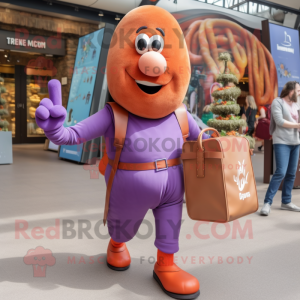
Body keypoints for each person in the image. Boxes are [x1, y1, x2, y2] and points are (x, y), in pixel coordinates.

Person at [260, 81, 300, 216]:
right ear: (290, 91)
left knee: (291, 173)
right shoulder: (278, 102)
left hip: (296, 142)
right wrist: (298, 126)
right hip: (282, 141)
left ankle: (286, 202)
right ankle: (267, 203)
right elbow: (280, 121)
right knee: (280, 172)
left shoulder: (297, 103)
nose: (299, 92)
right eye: (298, 90)